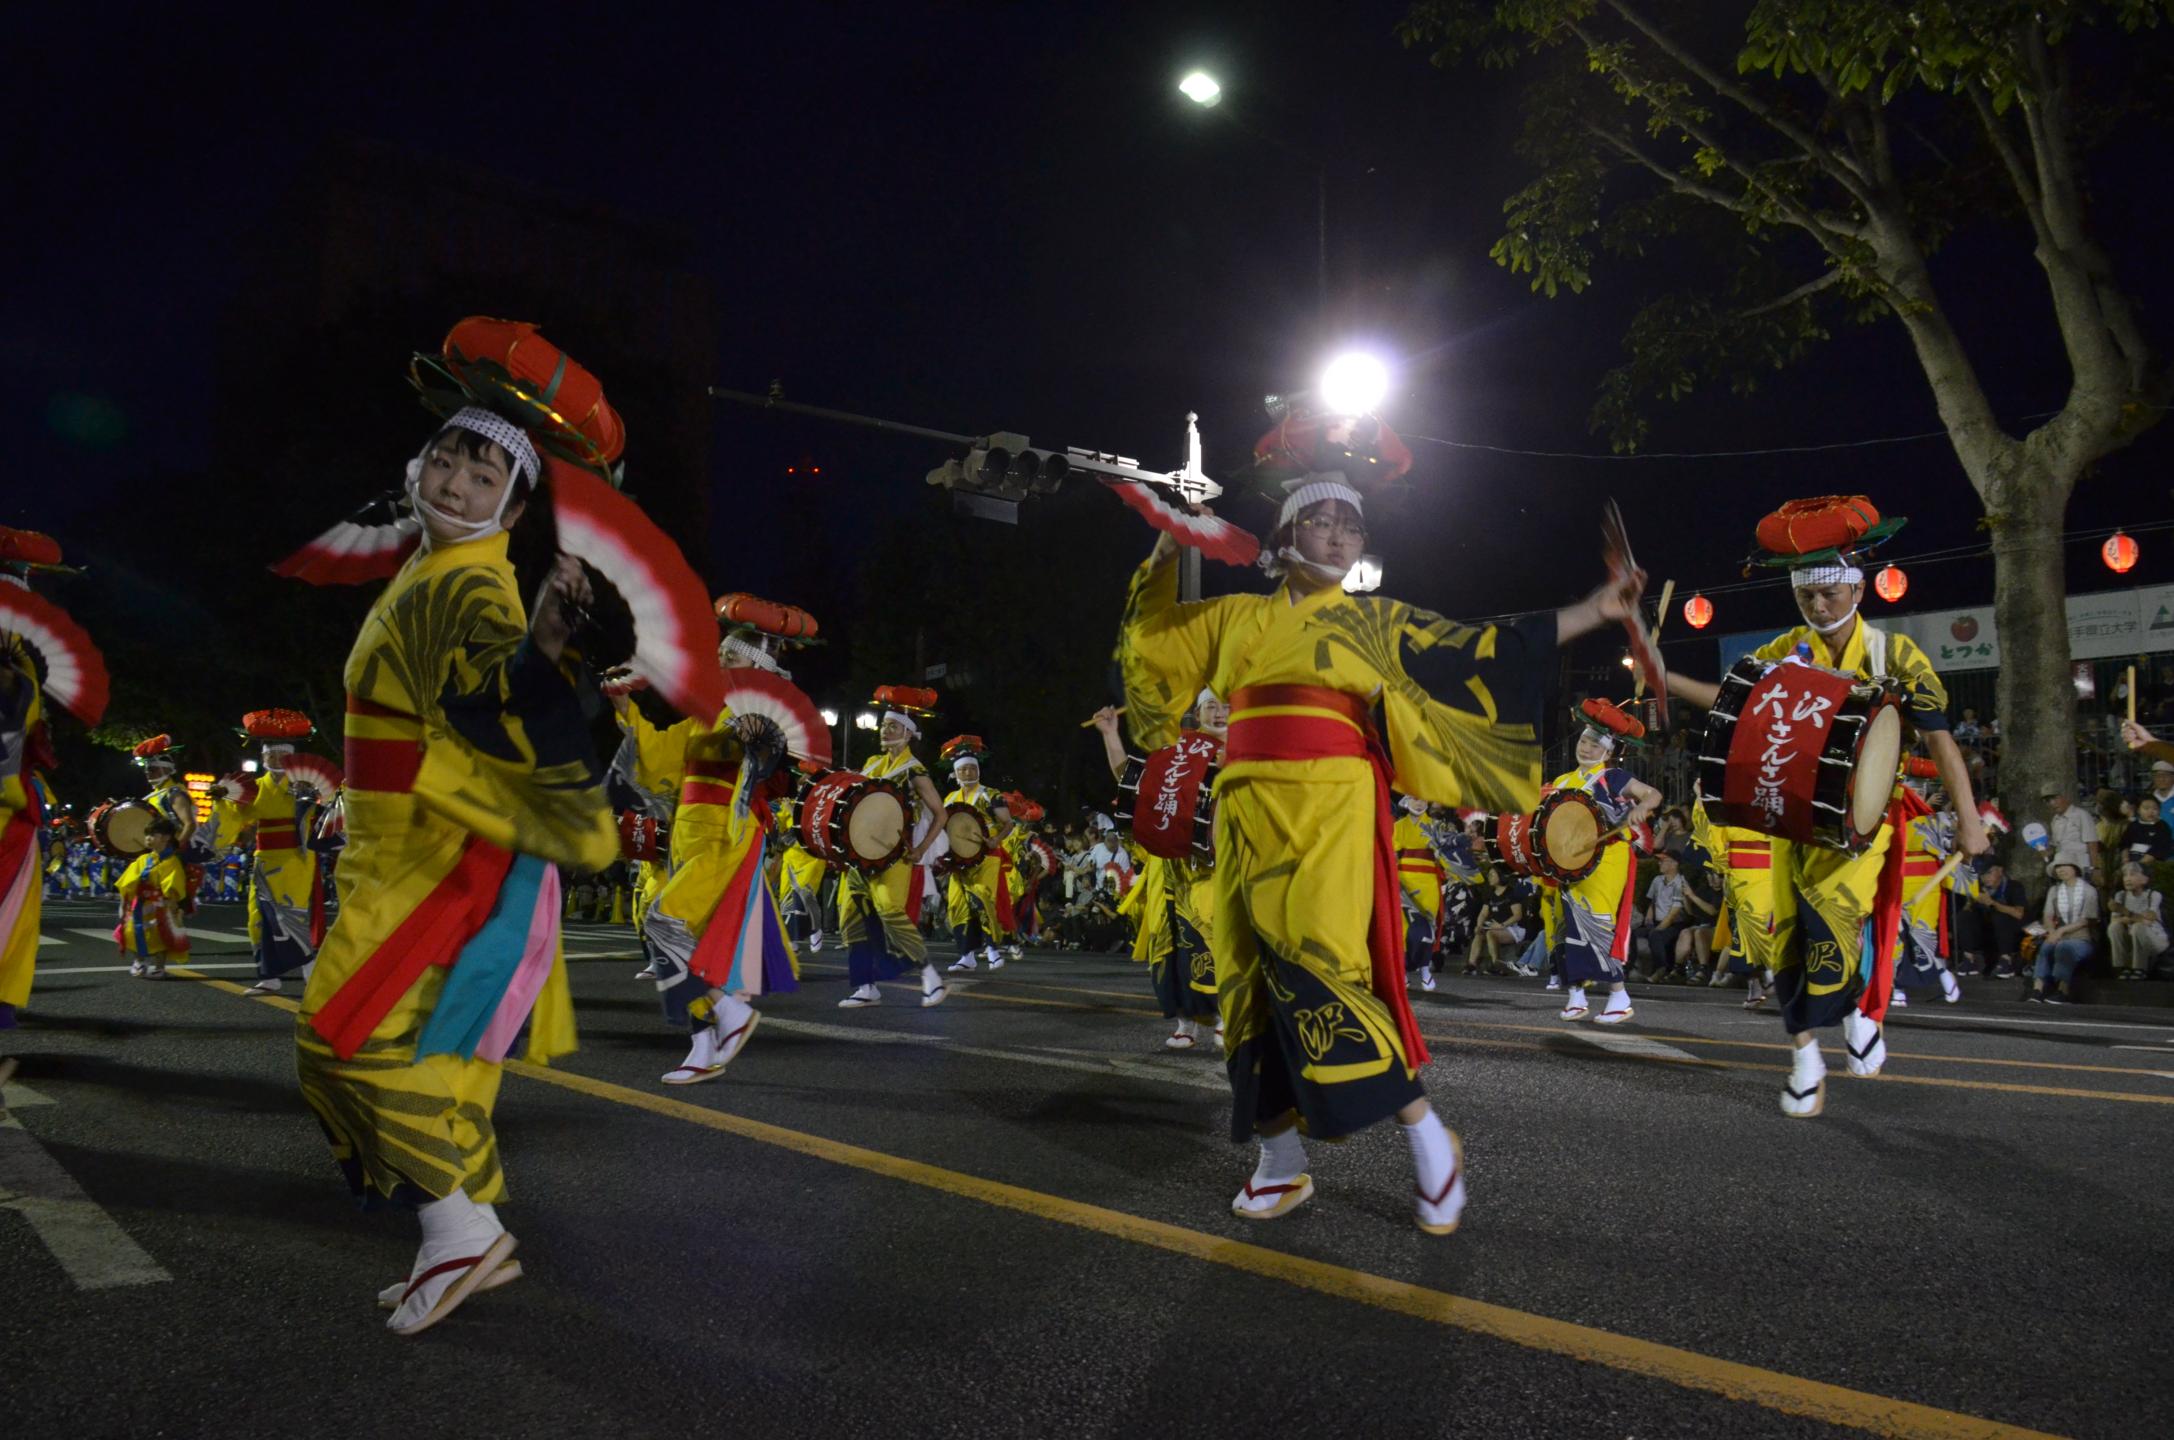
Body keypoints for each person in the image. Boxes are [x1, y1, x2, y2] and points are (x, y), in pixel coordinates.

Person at [1114, 470, 1642, 1232]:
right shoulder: (1233, 617)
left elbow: (1479, 648)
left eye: (1350, 527)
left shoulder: (1375, 622)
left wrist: (1595, 608)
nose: (1337, 536)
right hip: (1242, 805)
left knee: (1316, 961)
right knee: (1241, 984)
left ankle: (1426, 1133)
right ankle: (1280, 1162)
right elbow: (1151, 647)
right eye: (1320, 522)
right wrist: (1172, 539)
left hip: (1329, 802)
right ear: (1287, 536)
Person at [291, 323, 640, 1336]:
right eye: (445, 453)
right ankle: (455, 1228)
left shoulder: (467, 584)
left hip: (437, 852)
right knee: (354, 1051)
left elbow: (496, 687)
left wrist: (537, 646)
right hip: (392, 847)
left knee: (346, 1042)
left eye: (481, 470)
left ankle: (458, 1230)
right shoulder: (434, 562)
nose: (451, 476)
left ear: (515, 503)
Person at [1664, 496, 1988, 1117]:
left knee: (1830, 925)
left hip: (1861, 827)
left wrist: (1969, 818)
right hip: (1788, 815)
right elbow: (1734, 704)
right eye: (1806, 595)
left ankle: (1854, 1011)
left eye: (1830, 594)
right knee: (1783, 941)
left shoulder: (1896, 658)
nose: (1818, 606)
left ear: (1858, 590)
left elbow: (1941, 740)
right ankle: (1806, 1053)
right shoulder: (1785, 649)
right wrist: (1668, 678)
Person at [628, 606, 812, 1085]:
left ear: (749, 665)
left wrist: (759, 739)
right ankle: (702, 1046)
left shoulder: (760, 714)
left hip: (726, 836)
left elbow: (774, 762)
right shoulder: (703, 712)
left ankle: (730, 1013)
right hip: (690, 834)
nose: (717, 659)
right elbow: (658, 764)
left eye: (727, 654)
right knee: (689, 943)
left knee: (663, 920)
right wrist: (624, 702)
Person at [1096, 701, 1224, 1048]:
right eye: (1211, 706)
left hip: (1213, 870)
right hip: (1168, 868)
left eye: (1227, 705)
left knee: (1211, 937)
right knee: (1167, 951)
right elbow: (1130, 780)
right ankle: (1186, 1022)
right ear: (1198, 715)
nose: (1220, 712)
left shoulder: (1240, 751)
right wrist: (1110, 734)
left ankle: (1226, 1014)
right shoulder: (1174, 758)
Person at [1547, 699, 1662, 1023]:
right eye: (1583, 741)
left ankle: (1618, 995)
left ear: (1607, 752)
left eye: (1595, 744)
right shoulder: (1561, 782)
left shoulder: (1613, 777)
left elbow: (1653, 793)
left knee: (1596, 921)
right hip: (1570, 861)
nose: (1586, 748)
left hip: (1607, 857)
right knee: (1567, 922)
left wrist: (1643, 807)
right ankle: (1576, 995)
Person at [837, 689, 951, 1009]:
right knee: (851, 916)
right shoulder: (872, 763)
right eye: (884, 725)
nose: (885, 730)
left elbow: (941, 814)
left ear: (908, 734)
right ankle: (865, 986)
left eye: (892, 726)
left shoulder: (915, 771)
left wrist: (921, 849)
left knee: (889, 910)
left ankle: (930, 975)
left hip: (894, 854)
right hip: (861, 855)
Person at [211, 710, 329, 995]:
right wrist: (224, 800)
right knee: (259, 916)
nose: (275, 761)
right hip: (264, 858)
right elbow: (238, 819)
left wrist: (312, 798)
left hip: (295, 858)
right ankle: (269, 975)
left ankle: (308, 965)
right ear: (263, 758)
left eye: (281, 756)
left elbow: (326, 812)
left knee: (292, 913)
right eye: (270, 756)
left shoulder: (304, 785)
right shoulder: (254, 788)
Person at [940, 737, 1010, 973]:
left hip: (987, 855)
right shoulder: (950, 798)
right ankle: (966, 955)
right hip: (959, 860)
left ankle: (992, 949)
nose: (967, 771)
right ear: (956, 773)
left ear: (978, 770)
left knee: (981, 899)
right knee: (957, 905)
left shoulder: (991, 794)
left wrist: (995, 840)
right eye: (962, 769)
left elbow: (1008, 823)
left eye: (971, 767)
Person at [113, 816, 191, 978]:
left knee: (160, 936)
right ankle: (139, 961)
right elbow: (127, 883)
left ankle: (159, 967)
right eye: (146, 835)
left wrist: (173, 906)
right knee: (132, 931)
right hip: (139, 904)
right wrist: (123, 903)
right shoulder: (143, 859)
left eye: (152, 835)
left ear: (166, 837)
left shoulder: (172, 861)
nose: (147, 839)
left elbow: (173, 887)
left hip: (160, 906)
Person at [2031, 848, 2098, 1003]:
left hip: (2081, 939)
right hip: (2058, 936)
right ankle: (2037, 989)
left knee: (2064, 947)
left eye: (2065, 866)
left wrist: (2060, 931)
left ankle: (2063, 990)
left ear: (2074, 868)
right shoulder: (2054, 890)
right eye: (2058, 867)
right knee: (2047, 946)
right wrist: (2052, 931)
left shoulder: (2089, 891)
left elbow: (2087, 920)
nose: (2061, 870)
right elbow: (2047, 915)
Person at [1957, 860, 2027, 977]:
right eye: (1982, 874)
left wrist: (1992, 903)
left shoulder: (2014, 886)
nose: (1986, 877)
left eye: (1989, 873)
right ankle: (1969, 959)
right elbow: (1967, 910)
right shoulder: (1979, 887)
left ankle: (2006, 961)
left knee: (2000, 916)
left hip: (2010, 930)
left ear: (2000, 870)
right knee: (1964, 916)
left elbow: (2018, 914)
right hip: (1987, 930)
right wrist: (1971, 901)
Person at [2105, 861, 2167, 980]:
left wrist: (2125, 912)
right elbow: (2114, 920)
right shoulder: (2121, 895)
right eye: (2125, 875)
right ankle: (2123, 967)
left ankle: (2140, 968)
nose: (2127, 879)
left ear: (2145, 879)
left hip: (2154, 938)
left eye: (2132, 874)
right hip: (2131, 938)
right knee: (2114, 927)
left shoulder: (2153, 895)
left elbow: (2148, 921)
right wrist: (2135, 917)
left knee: (2138, 927)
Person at [1640, 849, 1689, 983]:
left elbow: (1674, 913)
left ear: (1674, 864)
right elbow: (1653, 902)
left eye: (1663, 861)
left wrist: (1657, 929)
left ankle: (1661, 969)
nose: (1659, 863)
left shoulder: (1680, 883)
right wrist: (1649, 919)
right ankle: (1628, 969)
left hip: (1675, 924)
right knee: (1632, 934)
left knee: (1655, 935)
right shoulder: (1657, 880)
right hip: (1657, 921)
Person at [2043, 785, 2098, 881]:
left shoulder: (2081, 815)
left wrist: (2094, 869)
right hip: (2062, 869)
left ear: (2065, 796)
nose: (2052, 803)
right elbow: (2056, 846)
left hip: (2080, 867)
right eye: (2048, 801)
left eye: (2055, 798)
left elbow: (2092, 843)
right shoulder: (2055, 821)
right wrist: (2045, 851)